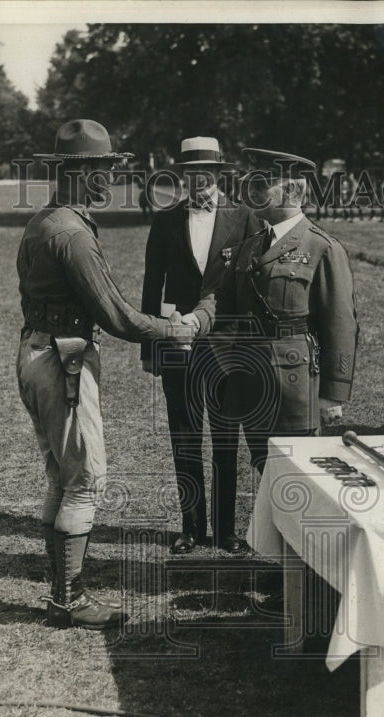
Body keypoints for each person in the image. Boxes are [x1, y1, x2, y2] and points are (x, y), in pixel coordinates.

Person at [17, 119, 200, 630]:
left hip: (36, 351)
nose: (111, 179)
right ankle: (68, 599)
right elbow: (117, 316)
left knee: (62, 475)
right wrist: (173, 330)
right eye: (103, 169)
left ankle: (61, 588)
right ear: (80, 173)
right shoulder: (73, 234)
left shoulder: (43, 221)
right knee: (86, 479)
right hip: (64, 361)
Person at [140, 137, 257, 555]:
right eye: (192, 172)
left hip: (228, 345)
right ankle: (190, 528)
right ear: (183, 175)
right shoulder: (166, 220)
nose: (200, 179)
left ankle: (226, 531)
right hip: (176, 343)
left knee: (226, 439)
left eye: (207, 171)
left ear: (220, 174)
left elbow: (251, 287)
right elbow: (152, 285)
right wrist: (150, 347)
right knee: (184, 436)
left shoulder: (243, 218)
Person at [213, 147, 359, 477]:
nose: (251, 192)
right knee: (265, 471)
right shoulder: (250, 246)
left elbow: (340, 325)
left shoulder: (321, 247)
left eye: (261, 185)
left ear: (291, 190)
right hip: (252, 385)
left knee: (298, 478)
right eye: (250, 183)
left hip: (295, 391)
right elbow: (224, 308)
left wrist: (333, 393)